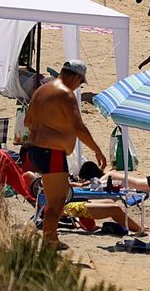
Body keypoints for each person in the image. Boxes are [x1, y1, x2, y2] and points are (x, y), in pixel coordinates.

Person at [21, 60, 108, 250]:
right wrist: (97, 151)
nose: (79, 86)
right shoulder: (66, 95)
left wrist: (50, 125)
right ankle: (49, 240)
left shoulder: (41, 91)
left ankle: (49, 238)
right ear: (75, 77)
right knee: (58, 200)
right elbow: (79, 128)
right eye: (80, 82)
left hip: (35, 150)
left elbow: (27, 121)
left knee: (56, 199)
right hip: (51, 153)